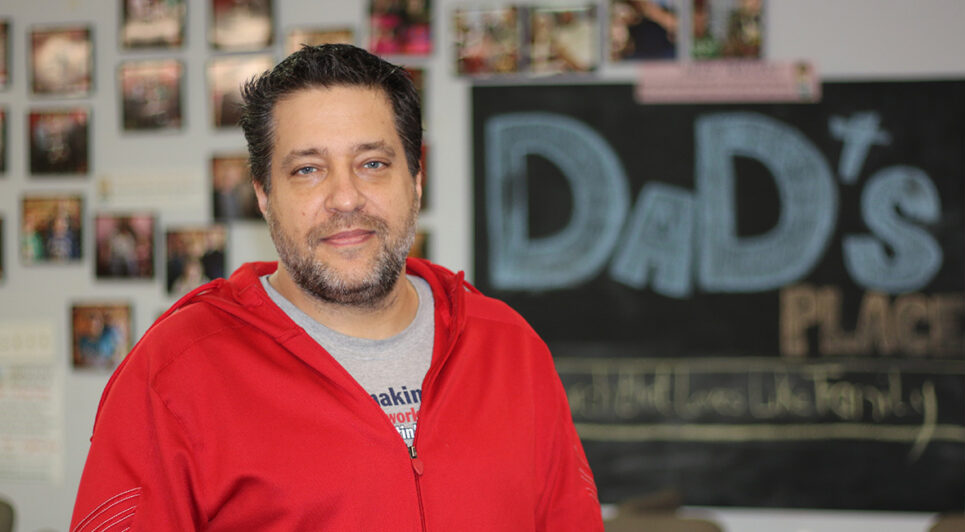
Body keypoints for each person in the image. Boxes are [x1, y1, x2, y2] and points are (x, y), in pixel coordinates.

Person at [71, 43, 603, 531]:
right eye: (307, 170)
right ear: (263, 194)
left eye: (372, 164)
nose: (345, 198)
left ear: (416, 180)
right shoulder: (173, 373)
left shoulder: (510, 348)